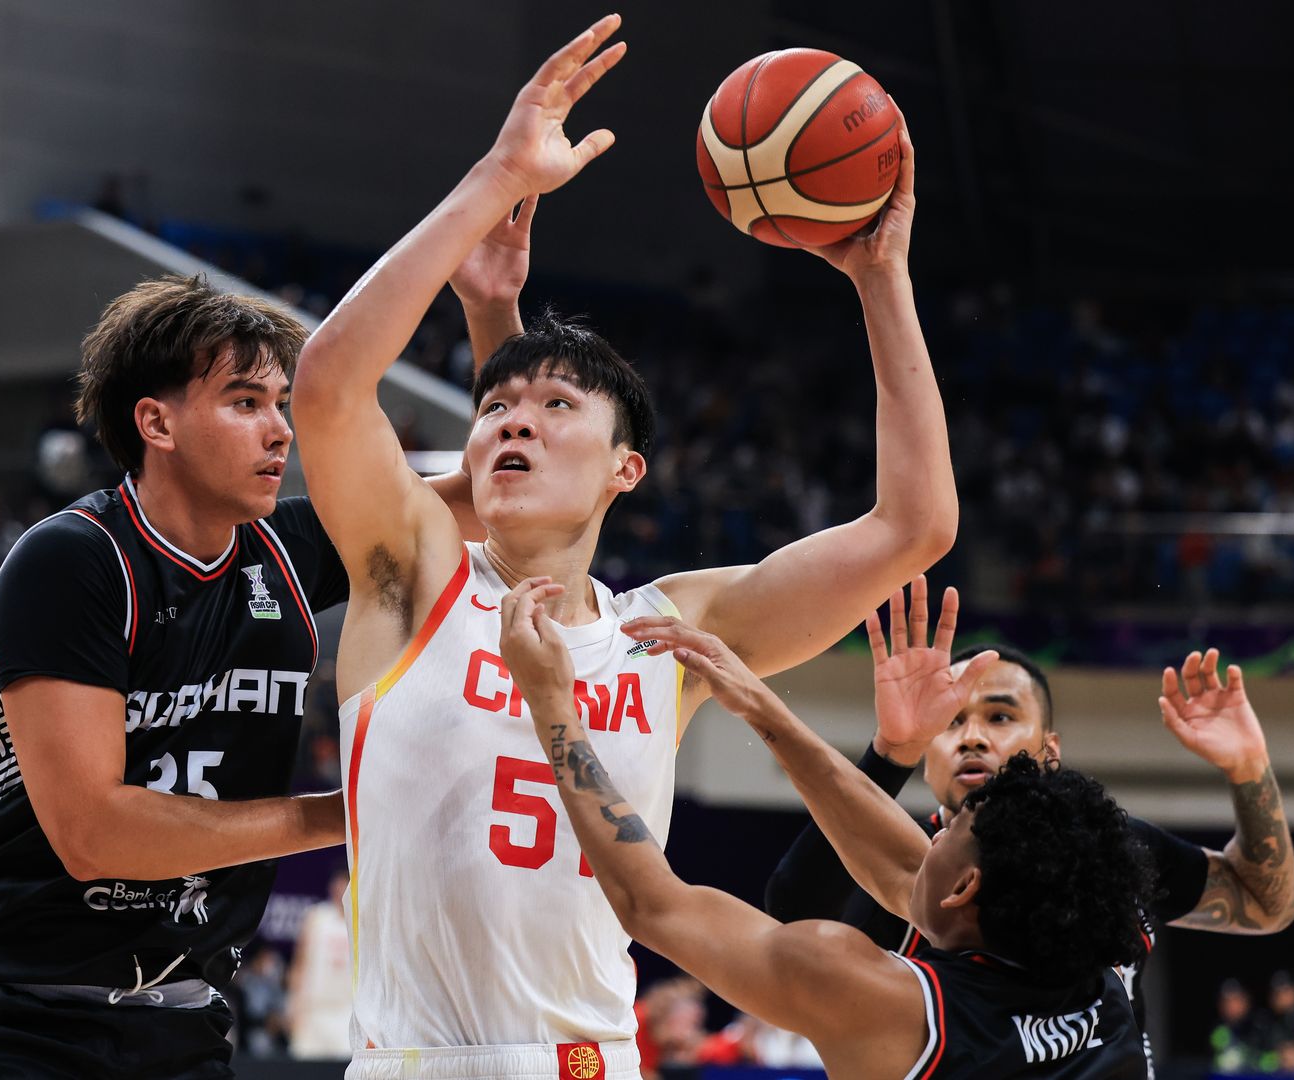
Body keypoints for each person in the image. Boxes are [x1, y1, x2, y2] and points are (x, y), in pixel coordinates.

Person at [292, 15, 957, 1074]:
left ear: (625, 469)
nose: (513, 419)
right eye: (496, 407)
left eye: (556, 405)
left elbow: (914, 529)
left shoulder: (670, 631)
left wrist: (881, 279)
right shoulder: (413, 577)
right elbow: (326, 387)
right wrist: (494, 180)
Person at [0, 265, 491, 1078]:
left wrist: (491, 305)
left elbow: (504, 493)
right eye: (246, 403)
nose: (280, 430)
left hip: (183, 1021)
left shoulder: (294, 550)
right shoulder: (76, 560)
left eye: (281, 404)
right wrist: (345, 811)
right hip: (4, 1015)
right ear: (156, 423)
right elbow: (94, 835)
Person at [496, 581, 1153, 1077]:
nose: (925, 834)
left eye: (946, 833)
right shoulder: (1106, 971)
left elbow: (654, 902)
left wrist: (553, 705)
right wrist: (757, 703)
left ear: (963, 887)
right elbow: (896, 865)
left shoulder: (891, 1006)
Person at [765, 577, 1294, 1067]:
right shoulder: (912, 861)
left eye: (1000, 716)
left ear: (1049, 750)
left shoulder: (1109, 849)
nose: (971, 737)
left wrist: (1249, 769)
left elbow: (1264, 901)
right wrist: (890, 752)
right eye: (948, 722)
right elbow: (794, 916)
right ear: (927, 755)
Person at [285, 866, 353, 1059]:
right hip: (314, 1010)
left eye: (345, 884)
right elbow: (299, 963)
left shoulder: (361, 919)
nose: (340, 889)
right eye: (337, 884)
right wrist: (293, 1005)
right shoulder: (317, 917)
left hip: (347, 1012)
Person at [1210, 979, 1271, 1073]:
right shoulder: (1218, 1031)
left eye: (1236, 1000)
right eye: (1227, 1002)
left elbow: (1273, 1060)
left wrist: (1249, 1060)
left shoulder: (1262, 1025)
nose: (1232, 1006)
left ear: (1247, 1001)